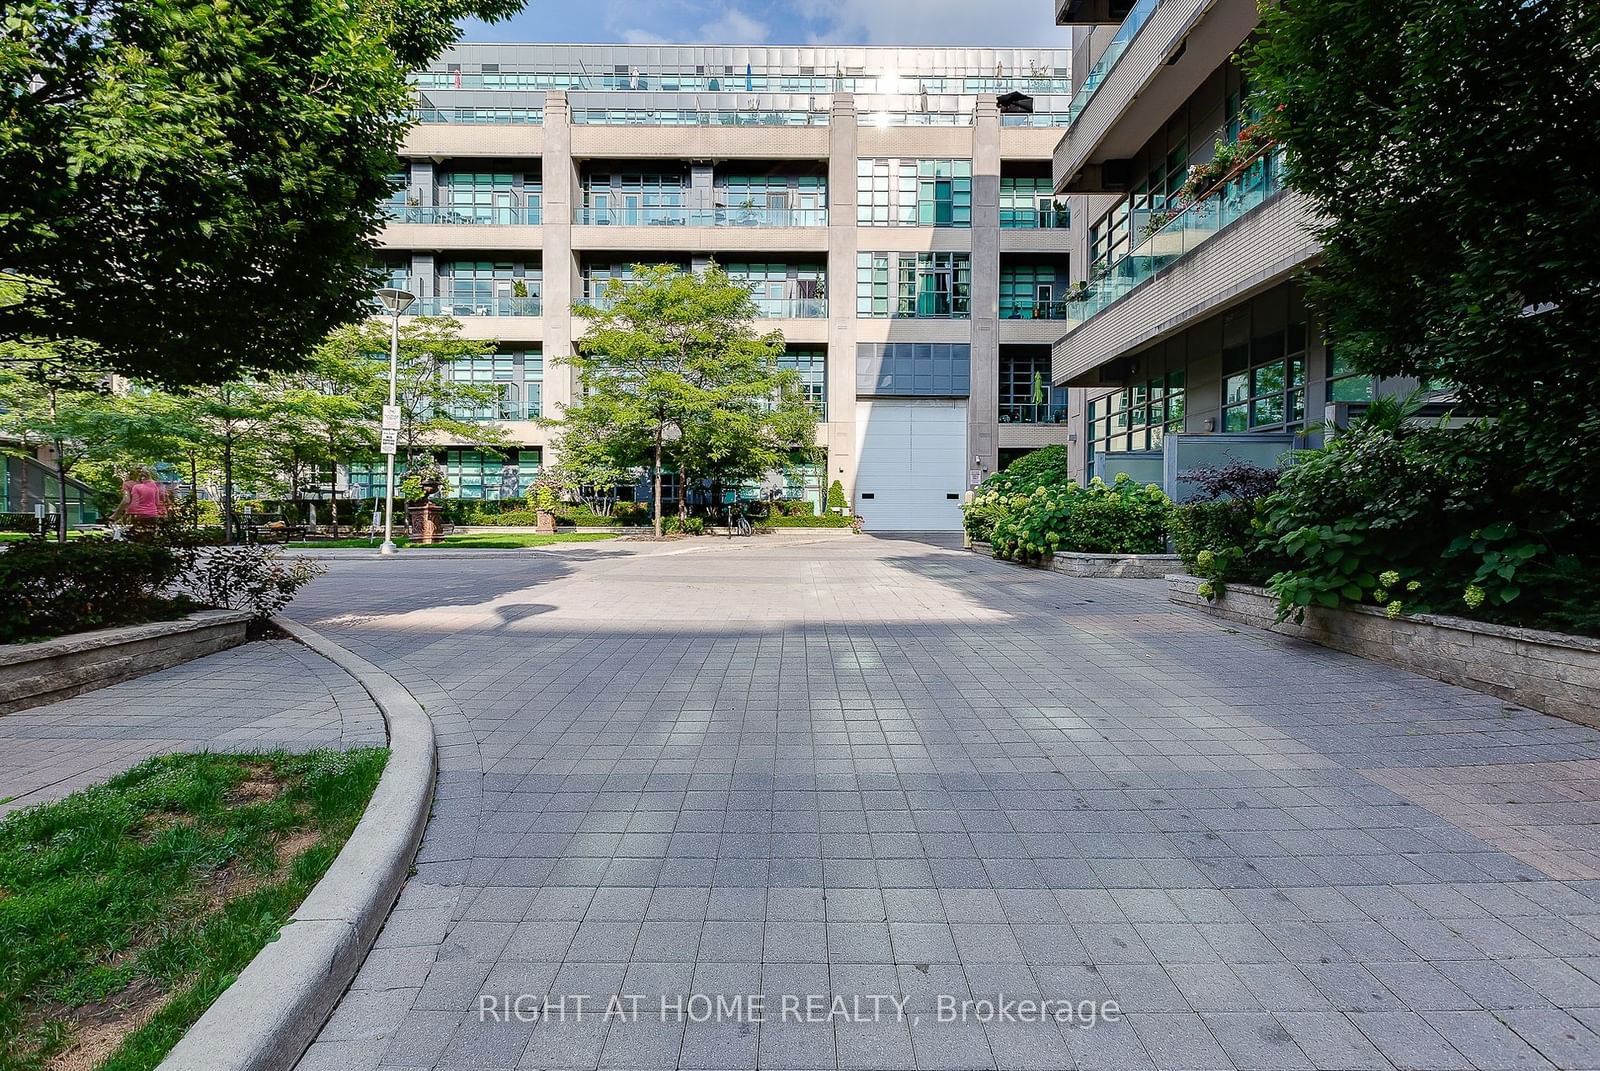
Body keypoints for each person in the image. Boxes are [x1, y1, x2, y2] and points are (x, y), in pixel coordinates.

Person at [116, 466, 170, 535]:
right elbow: (156, 502)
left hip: (139, 516)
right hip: (153, 515)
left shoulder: (136, 487)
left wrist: (126, 515)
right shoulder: (155, 487)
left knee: (138, 537)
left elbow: (134, 504)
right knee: (150, 537)